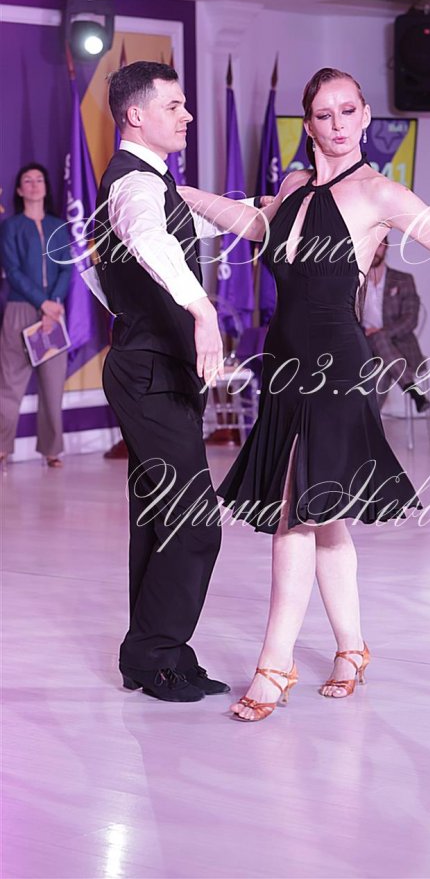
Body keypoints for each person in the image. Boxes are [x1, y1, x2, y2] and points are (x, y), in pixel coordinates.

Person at [179, 67, 430, 722]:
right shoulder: (294, 186)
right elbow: (254, 225)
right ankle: (352, 649)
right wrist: (181, 193)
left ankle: (274, 665)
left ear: (365, 114)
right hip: (284, 363)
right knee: (324, 513)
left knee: (294, 509)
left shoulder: (379, 192)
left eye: (348, 110)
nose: (337, 124)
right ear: (309, 123)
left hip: (337, 365)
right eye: (324, 114)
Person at [97, 61, 230, 702]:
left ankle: (158, 656)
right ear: (136, 115)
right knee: (195, 523)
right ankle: (152, 653)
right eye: (174, 106)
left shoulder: (154, 182)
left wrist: (269, 208)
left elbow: (189, 226)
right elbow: (149, 236)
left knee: (159, 520)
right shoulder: (134, 186)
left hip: (154, 370)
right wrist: (203, 311)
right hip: (148, 372)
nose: (187, 116)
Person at [0, 163, 72, 469]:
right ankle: (2, 449)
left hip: (53, 315)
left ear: (45, 187)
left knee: (53, 387)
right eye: (27, 181)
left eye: (39, 179)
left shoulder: (59, 226)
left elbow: (67, 268)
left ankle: (52, 450)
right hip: (20, 311)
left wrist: (53, 305)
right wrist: (44, 304)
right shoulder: (11, 227)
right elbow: (13, 271)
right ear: (19, 190)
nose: (33, 184)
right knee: (9, 386)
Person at [362, 236, 430, 412]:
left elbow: (410, 320)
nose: (375, 251)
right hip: (364, 347)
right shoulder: (356, 281)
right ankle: (413, 391)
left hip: (400, 348)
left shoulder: (403, 280)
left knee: (381, 367)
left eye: (379, 246)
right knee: (379, 357)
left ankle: (369, 423)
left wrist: (381, 332)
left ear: (386, 247)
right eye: (371, 245)